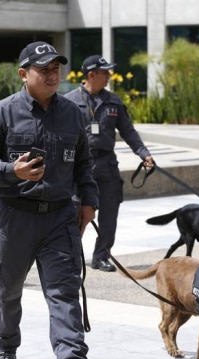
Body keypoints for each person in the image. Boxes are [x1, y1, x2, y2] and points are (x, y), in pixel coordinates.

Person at [0, 41, 102, 359]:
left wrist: (89, 201)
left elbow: (85, 163)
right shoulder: (2, 112)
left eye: (56, 68)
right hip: (15, 217)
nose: (52, 75)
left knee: (64, 292)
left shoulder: (73, 113)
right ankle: (5, 346)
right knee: (6, 290)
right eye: (44, 69)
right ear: (24, 74)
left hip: (59, 217)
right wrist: (11, 171)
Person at [64, 55, 155, 272]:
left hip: (107, 165)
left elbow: (128, 131)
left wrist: (144, 154)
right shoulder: (68, 101)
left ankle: (101, 257)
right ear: (91, 75)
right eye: (105, 73)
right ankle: (71, 258)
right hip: (79, 165)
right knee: (76, 213)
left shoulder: (114, 101)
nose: (108, 77)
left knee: (109, 215)